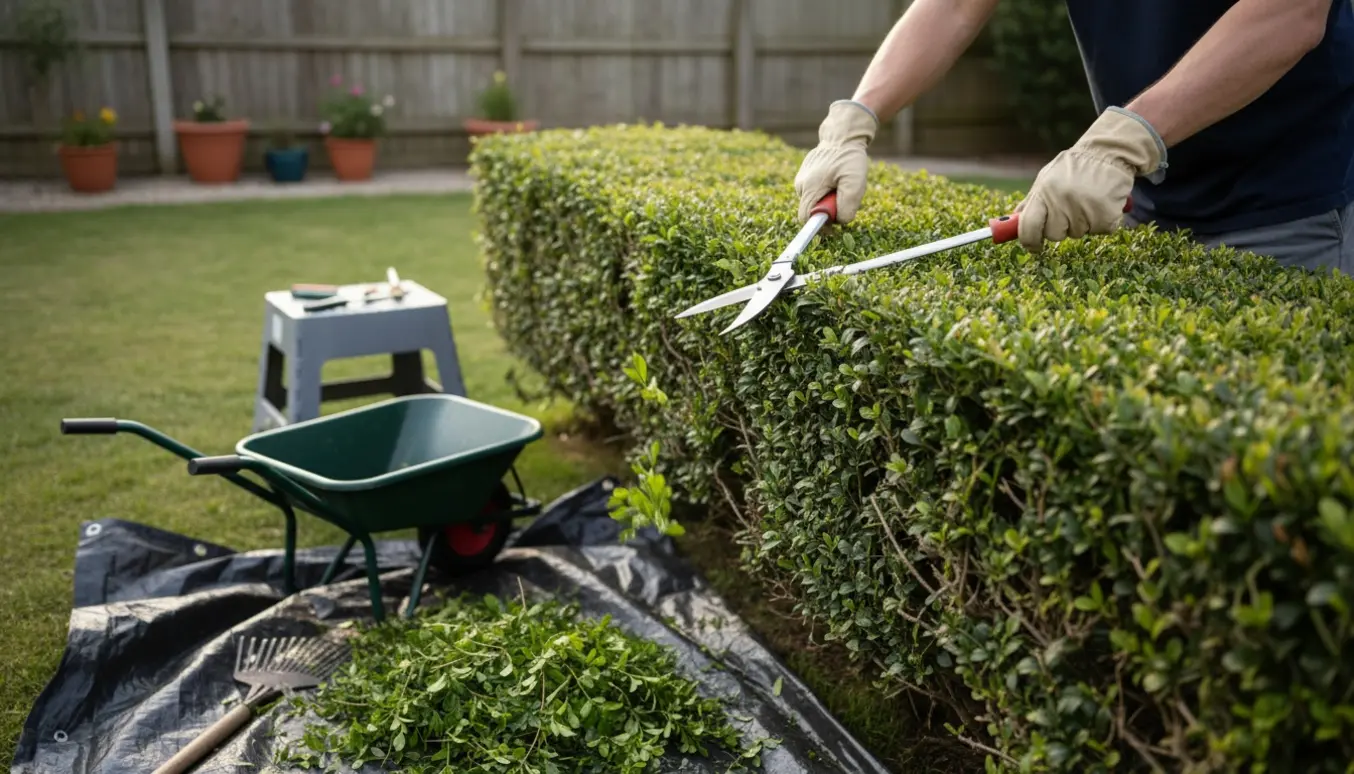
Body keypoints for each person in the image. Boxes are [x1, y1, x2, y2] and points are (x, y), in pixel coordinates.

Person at [793, 0, 1354, 275]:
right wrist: (855, 118)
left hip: (1289, 207)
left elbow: (1289, 13)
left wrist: (1125, 138)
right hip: (1143, 200)